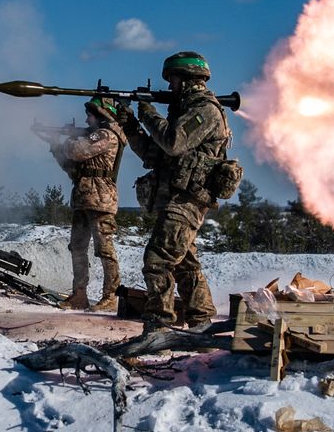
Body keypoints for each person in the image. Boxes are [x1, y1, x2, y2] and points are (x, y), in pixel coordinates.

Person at [119, 50, 232, 334]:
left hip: (188, 200)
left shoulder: (205, 111)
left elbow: (174, 142)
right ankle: (202, 320)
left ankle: (159, 326)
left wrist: (147, 112)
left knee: (157, 260)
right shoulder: (183, 113)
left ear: (187, 79)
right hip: (176, 199)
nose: (170, 87)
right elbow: (153, 154)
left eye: (173, 81)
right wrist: (131, 124)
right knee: (184, 263)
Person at [40, 97, 125, 311]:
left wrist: (67, 139)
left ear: (101, 114)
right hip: (84, 198)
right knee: (77, 247)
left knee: (104, 249)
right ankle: (79, 294)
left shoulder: (105, 134)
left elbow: (76, 151)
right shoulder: (92, 138)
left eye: (90, 115)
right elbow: (71, 166)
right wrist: (55, 145)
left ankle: (110, 296)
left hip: (101, 200)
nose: (86, 120)